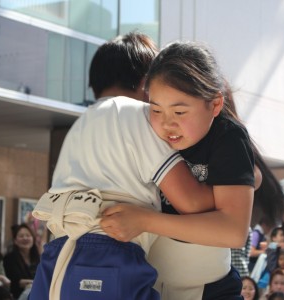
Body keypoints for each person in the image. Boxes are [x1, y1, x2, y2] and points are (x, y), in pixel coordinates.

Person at [100, 40, 261, 299]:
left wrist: (144, 221)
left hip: (209, 288)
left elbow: (233, 231)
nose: (167, 124)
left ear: (215, 104)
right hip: (145, 284)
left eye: (179, 111)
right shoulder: (143, 130)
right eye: (156, 109)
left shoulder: (228, 138)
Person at [3, 224, 40, 300]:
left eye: (28, 235)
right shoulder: (9, 258)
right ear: (15, 241)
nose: (25, 238)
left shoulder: (39, 258)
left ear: (33, 239)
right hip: (17, 295)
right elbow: (15, 282)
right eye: (21, 236)